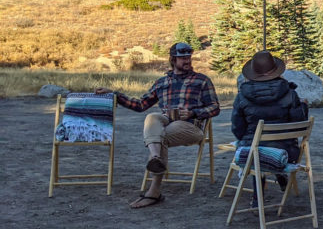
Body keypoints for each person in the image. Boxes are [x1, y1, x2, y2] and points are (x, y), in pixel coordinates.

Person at [95, 42, 220, 208]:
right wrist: (114, 94)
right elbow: (140, 105)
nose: (187, 61)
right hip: (167, 122)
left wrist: (194, 112)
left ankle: (153, 192)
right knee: (152, 116)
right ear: (173, 60)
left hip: (191, 126)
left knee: (160, 137)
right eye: (182, 58)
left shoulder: (201, 80)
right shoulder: (162, 82)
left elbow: (215, 107)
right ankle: (155, 158)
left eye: (188, 57)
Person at [232, 50, 309, 206]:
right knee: (263, 148)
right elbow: (299, 122)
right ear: (276, 72)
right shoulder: (290, 94)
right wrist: (303, 107)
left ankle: (257, 199)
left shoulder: (242, 96)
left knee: (255, 149)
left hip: (253, 154)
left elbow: (237, 129)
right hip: (287, 152)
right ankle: (280, 174)